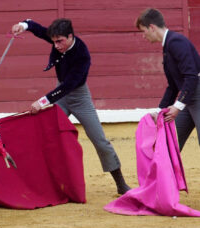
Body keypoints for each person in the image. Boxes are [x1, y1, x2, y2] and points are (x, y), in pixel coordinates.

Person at [11, 18, 131, 194]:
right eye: (54, 41)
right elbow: (37, 28)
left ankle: (120, 183)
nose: (57, 45)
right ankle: (43, 183)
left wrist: (43, 101)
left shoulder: (82, 54)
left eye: (60, 41)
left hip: (78, 97)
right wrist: (23, 26)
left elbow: (69, 86)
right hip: (61, 96)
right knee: (46, 137)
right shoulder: (57, 38)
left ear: (70, 36)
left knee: (100, 141)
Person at [136, 8, 200, 151]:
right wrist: (159, 111)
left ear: (151, 27)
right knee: (170, 142)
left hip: (195, 93)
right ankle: (169, 174)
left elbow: (191, 76)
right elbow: (173, 86)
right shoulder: (169, 44)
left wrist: (177, 106)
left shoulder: (175, 42)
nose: (144, 36)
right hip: (188, 97)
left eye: (143, 31)